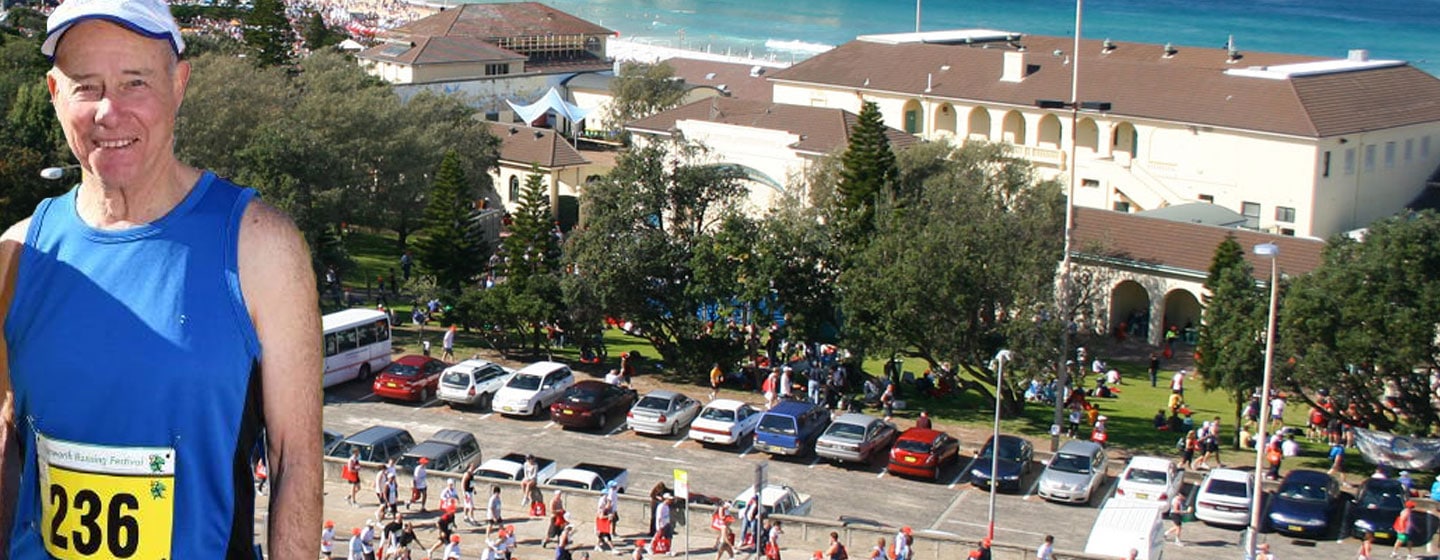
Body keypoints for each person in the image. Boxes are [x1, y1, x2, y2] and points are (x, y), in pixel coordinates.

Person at [0, 0, 324, 556]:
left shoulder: (261, 248)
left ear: (178, 85)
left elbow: (295, 460)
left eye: (135, 83)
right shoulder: (17, 253)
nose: (109, 111)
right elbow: (8, 435)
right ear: (54, 94)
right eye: (86, 86)